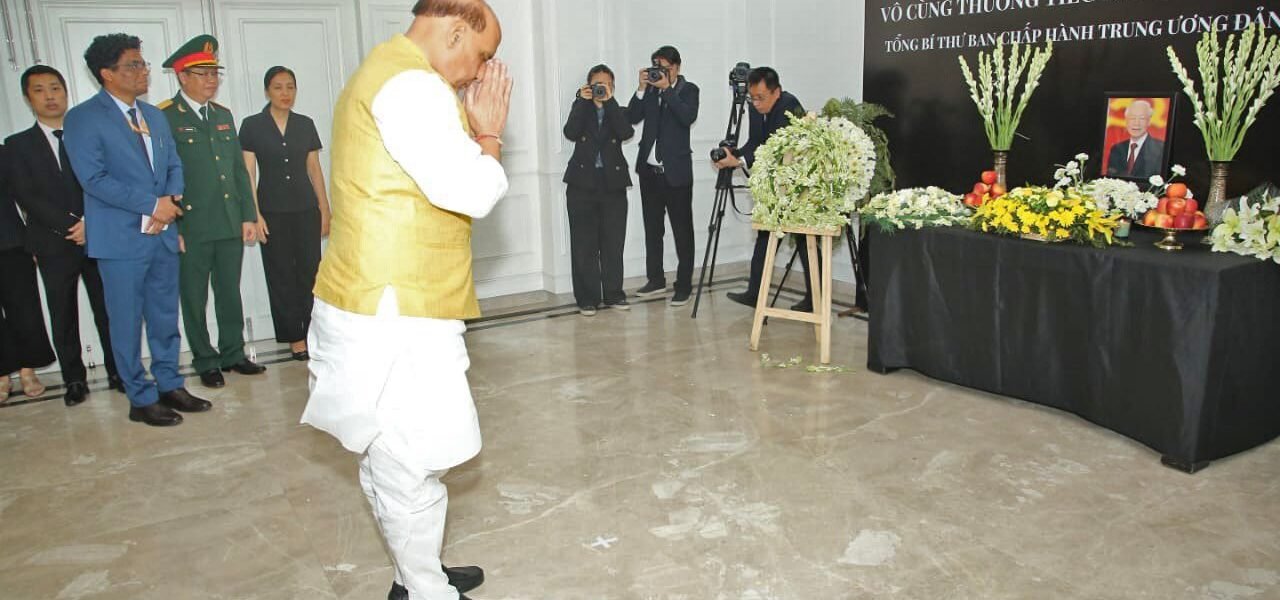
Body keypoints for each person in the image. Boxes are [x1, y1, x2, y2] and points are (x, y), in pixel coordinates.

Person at [300, 0, 511, 597]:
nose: (478, 73)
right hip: (394, 312)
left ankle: (414, 572)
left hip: (383, 302)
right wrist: (490, 132)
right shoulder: (412, 86)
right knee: (410, 461)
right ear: (452, 30)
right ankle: (423, 590)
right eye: (481, 55)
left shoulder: (385, 70)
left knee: (393, 455)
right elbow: (470, 188)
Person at [63, 33, 211, 426]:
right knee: (126, 321)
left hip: (161, 233)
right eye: (133, 65)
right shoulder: (83, 118)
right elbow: (93, 179)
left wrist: (171, 201)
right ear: (107, 73)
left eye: (143, 64)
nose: (144, 71)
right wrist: (152, 205)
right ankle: (140, 397)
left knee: (164, 315)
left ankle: (169, 384)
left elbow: (173, 164)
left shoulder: (154, 115)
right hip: (121, 239)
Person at [6, 65, 124, 406]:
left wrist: (90, 221)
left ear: (66, 92)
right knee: (63, 313)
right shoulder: (16, 145)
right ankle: (74, 379)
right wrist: (69, 225)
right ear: (29, 98)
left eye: (55, 88)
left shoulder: (87, 134)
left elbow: (105, 179)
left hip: (97, 235)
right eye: (40, 90)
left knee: (108, 309)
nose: (50, 96)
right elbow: (25, 194)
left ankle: (118, 371)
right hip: (52, 243)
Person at [157, 35, 266, 389]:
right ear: (181, 77)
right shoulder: (165, 117)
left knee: (229, 291)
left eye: (214, 73)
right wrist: (174, 227)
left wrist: (248, 215)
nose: (211, 80)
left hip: (228, 219)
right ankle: (205, 360)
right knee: (194, 295)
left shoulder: (223, 115)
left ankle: (233, 353)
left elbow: (237, 169)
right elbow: (160, 175)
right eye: (202, 74)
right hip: (192, 225)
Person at [240, 66, 330, 360]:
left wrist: (324, 209)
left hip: (305, 209)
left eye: (290, 87)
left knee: (310, 272)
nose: (285, 93)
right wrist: (255, 214)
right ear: (267, 91)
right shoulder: (252, 126)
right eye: (278, 87)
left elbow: (314, 170)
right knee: (281, 275)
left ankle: (313, 331)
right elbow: (248, 173)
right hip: (272, 211)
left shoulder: (305, 124)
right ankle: (294, 336)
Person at [715, 67, 819, 312]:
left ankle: (817, 298)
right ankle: (755, 292)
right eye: (752, 97)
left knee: (805, 241)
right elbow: (755, 142)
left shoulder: (789, 106)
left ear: (777, 92)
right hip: (774, 186)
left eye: (761, 97)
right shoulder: (755, 105)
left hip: (797, 185)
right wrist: (735, 154)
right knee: (764, 236)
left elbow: (777, 148)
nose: (756, 103)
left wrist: (739, 163)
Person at [626, 45, 699, 307]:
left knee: (682, 232)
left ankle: (684, 285)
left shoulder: (688, 90)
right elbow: (631, 118)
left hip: (676, 174)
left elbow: (686, 117)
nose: (662, 73)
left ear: (678, 67)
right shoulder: (651, 91)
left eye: (667, 68)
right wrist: (642, 88)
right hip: (649, 173)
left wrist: (667, 89)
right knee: (652, 230)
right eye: (658, 68)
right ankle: (655, 279)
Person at [562, 64, 634, 316]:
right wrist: (582, 102)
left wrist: (610, 103)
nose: (601, 88)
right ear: (588, 86)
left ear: (613, 87)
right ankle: (587, 298)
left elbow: (626, 132)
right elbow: (570, 132)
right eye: (596, 84)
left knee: (613, 243)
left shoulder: (618, 110)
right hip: (582, 184)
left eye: (606, 84)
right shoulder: (580, 107)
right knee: (584, 245)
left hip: (612, 185)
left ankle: (614, 294)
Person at [0, 144, 57, 400]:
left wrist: (34, 240)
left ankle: (27, 369)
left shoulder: (5, 153)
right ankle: (1, 373)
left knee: (24, 308)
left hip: (11, 240)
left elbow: (25, 198)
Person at [1106, 100, 1165, 180]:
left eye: (1142, 118)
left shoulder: (1161, 148)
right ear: (1126, 121)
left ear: (1149, 121)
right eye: (1132, 118)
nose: (1136, 123)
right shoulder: (1116, 149)